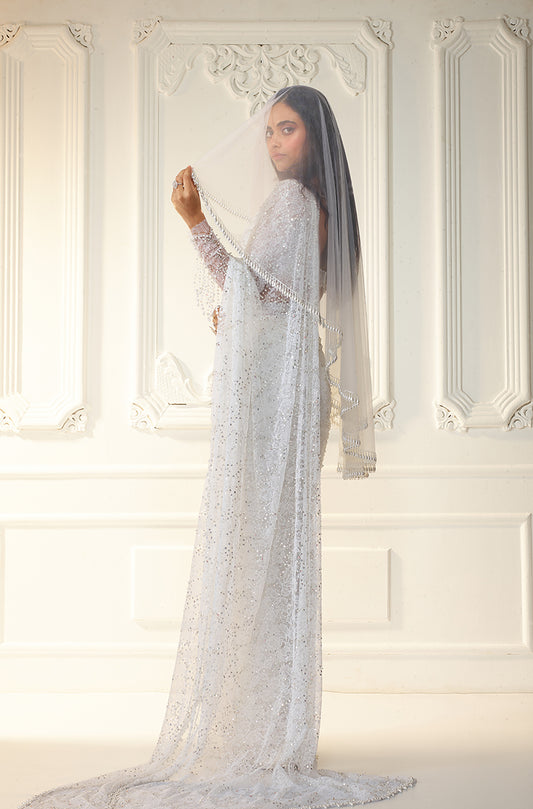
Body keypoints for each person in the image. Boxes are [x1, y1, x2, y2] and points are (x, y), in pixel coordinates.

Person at [18, 86, 415, 809]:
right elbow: (275, 300)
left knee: (249, 544)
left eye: (287, 129)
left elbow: (248, 292)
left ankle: (252, 727)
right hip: (293, 384)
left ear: (314, 138)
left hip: (274, 390)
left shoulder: (292, 203)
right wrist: (238, 309)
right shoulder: (323, 210)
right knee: (273, 548)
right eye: (269, 131)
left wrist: (195, 221)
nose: (273, 143)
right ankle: (272, 726)